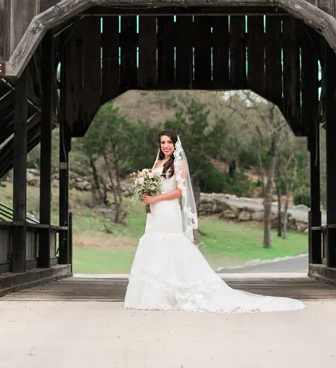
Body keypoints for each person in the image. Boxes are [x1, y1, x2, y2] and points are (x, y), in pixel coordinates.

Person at [124, 130, 304, 313]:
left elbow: (180, 192)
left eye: (169, 142)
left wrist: (157, 198)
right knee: (155, 247)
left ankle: (181, 292)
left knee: (171, 246)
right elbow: (154, 185)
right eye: (162, 142)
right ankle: (155, 295)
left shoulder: (178, 164)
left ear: (175, 144)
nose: (166, 146)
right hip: (154, 213)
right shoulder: (157, 163)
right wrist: (146, 193)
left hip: (168, 211)